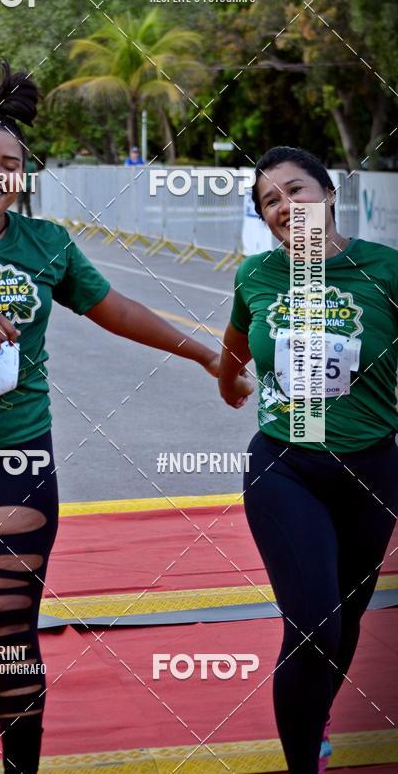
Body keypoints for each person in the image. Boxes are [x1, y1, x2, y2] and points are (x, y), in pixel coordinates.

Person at [0, 61, 246, 773]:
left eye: (11, 166)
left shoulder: (49, 247)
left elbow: (117, 310)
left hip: (16, 456)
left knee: (11, 630)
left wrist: (203, 354)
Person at [218, 146, 398, 774]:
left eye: (296, 191)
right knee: (315, 625)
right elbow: (235, 349)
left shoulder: (385, 270)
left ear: (329, 195)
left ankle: (315, 710)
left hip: (373, 471)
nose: (285, 206)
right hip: (285, 466)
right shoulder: (257, 275)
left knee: (344, 624)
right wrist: (229, 382)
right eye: (269, 200)